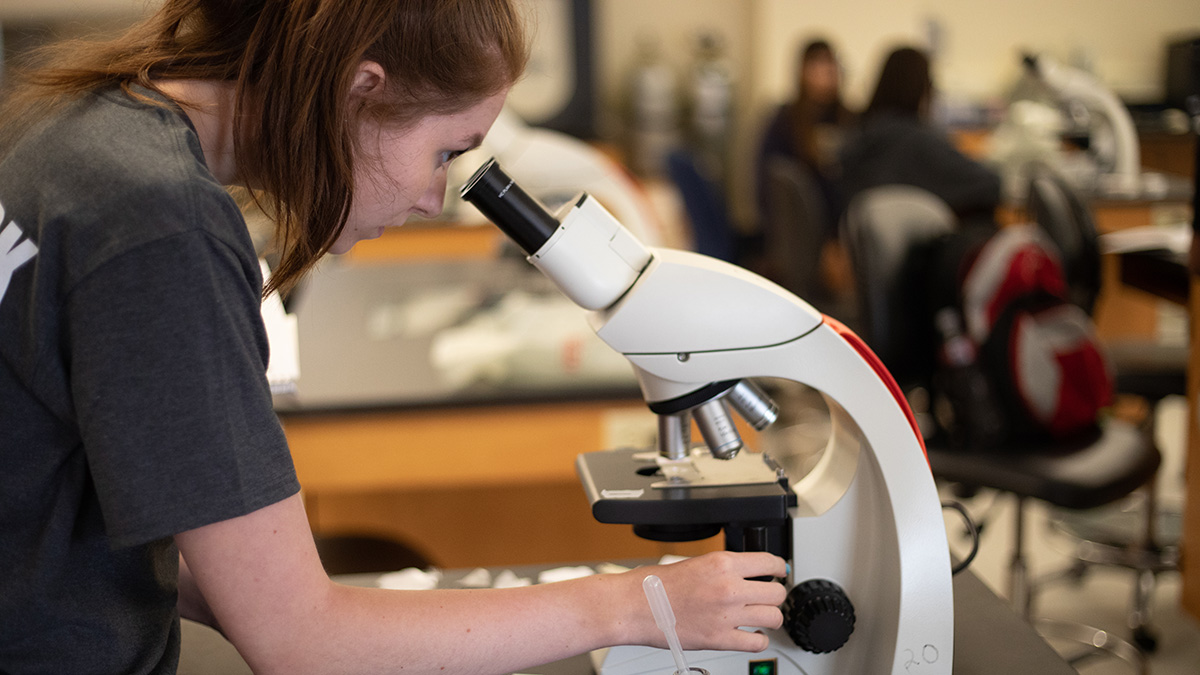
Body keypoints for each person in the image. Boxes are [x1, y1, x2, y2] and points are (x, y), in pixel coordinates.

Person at [0, 2, 787, 674]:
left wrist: (296, 590)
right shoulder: (161, 220)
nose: (433, 195)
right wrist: (640, 600)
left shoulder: (82, 130)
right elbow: (300, 640)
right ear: (359, 91)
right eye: (445, 150)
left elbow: (91, 530)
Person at [838, 46, 1001, 229]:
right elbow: (989, 184)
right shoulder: (918, 140)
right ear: (922, 88)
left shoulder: (857, 136)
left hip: (871, 253)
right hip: (919, 252)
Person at [756, 39, 856, 239]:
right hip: (796, 230)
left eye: (830, 64)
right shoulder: (784, 121)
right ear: (803, 71)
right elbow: (767, 180)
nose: (825, 73)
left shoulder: (851, 120)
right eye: (816, 65)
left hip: (844, 226)